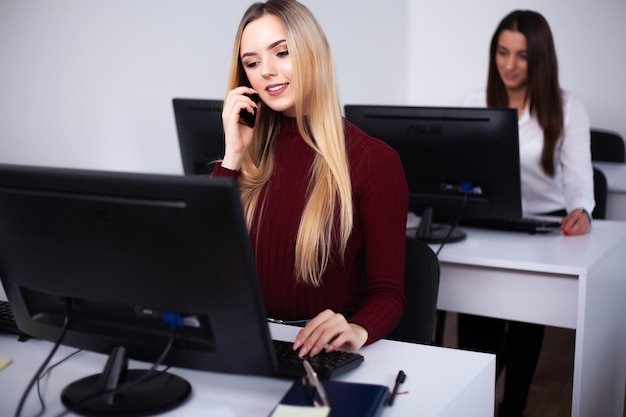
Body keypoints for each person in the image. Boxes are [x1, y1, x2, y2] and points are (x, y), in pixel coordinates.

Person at [213, 0, 408, 359]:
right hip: (245, 341)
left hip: (316, 349)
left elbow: (388, 294)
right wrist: (233, 158)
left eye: (281, 53)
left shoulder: (373, 161)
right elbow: (205, 264)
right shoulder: (245, 157)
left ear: (313, 53)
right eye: (252, 63)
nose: (267, 71)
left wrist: (356, 329)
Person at [458, 10, 595, 417]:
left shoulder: (567, 108)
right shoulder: (475, 102)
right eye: (502, 52)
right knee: (477, 317)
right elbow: (460, 169)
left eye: (522, 55)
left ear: (540, 59)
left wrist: (581, 209)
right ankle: (474, 395)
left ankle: (512, 403)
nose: (510, 64)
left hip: (543, 226)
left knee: (525, 317)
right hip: (487, 223)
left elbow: (580, 179)